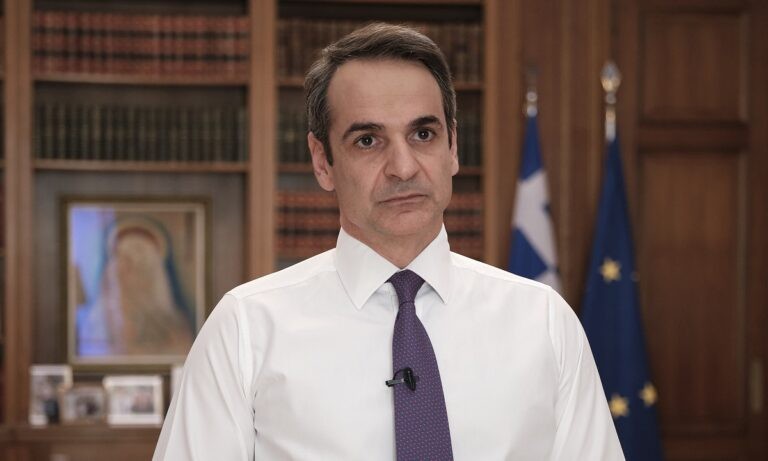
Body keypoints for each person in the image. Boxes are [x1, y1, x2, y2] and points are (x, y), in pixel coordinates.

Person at [154, 23, 623, 460]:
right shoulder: (245, 329)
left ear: (453, 146)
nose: (403, 167)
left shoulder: (544, 323)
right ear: (322, 161)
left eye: (423, 134)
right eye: (367, 141)